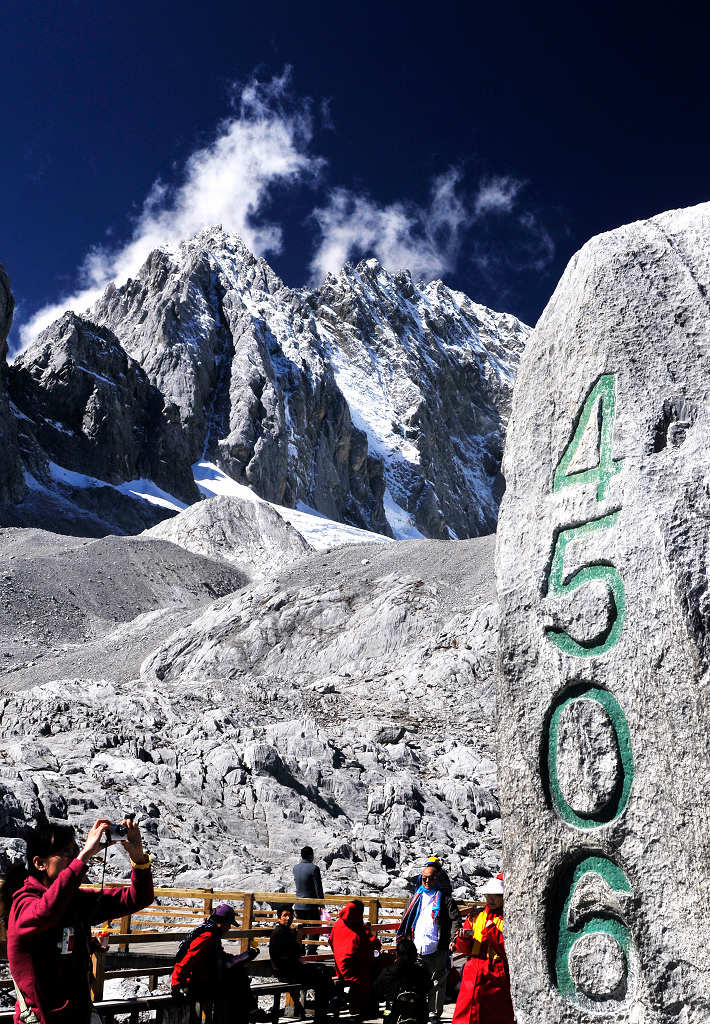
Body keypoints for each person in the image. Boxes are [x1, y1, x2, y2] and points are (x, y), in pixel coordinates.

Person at [6, 817, 154, 1024]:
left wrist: (138, 858)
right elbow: (46, 912)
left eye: (74, 851)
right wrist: (83, 856)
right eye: (66, 852)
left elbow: (138, 898)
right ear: (39, 863)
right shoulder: (23, 904)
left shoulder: (74, 901)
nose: (72, 858)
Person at [171, 902, 259, 1022]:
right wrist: (176, 984)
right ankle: (248, 1013)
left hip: (203, 979)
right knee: (237, 983)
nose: (229, 928)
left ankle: (247, 1013)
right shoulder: (207, 936)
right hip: (195, 983)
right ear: (221, 922)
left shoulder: (210, 932)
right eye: (228, 924)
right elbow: (188, 958)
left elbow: (221, 957)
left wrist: (243, 957)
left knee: (238, 977)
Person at [397, 862, 460, 1024]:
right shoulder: (414, 899)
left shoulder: (445, 900)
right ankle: (416, 1010)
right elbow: (406, 919)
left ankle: (433, 1013)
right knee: (415, 981)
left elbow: (455, 921)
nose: (426, 881)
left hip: (438, 946)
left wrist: (453, 939)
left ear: (437, 879)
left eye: (430, 878)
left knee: (437, 982)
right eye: (424, 878)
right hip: (416, 947)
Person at [451, 876, 514, 1024]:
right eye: (488, 896)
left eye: (496, 896)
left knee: (495, 1013)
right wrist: (463, 938)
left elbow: (508, 949)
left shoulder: (510, 918)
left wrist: (492, 931)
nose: (491, 900)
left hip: (497, 969)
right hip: (473, 967)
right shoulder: (475, 916)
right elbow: (464, 949)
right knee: (466, 1010)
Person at [269, 905, 332, 1022]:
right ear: (279, 918)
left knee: (323, 970)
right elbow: (290, 955)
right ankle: (322, 1011)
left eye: (290, 915)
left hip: (292, 969)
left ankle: (323, 1009)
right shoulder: (279, 933)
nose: (288, 918)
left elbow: (298, 953)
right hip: (286, 972)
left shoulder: (288, 932)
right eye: (285, 915)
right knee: (322, 978)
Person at [329, 899, 381, 1016]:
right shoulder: (357, 926)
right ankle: (359, 1007)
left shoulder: (338, 923)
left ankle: (354, 1005)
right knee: (369, 974)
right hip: (352, 968)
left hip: (339, 966)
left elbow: (331, 941)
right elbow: (369, 944)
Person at [374, 937, 432, 1024]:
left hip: (392, 1015)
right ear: (415, 955)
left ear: (397, 954)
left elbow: (377, 993)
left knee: (388, 1011)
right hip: (419, 1016)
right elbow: (429, 987)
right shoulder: (422, 972)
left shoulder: (387, 972)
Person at [293, 846, 324, 922]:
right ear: (311, 855)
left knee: (301, 930)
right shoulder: (314, 868)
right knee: (314, 930)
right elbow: (318, 888)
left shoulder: (295, 868)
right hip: (311, 906)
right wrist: (322, 903)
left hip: (298, 905)